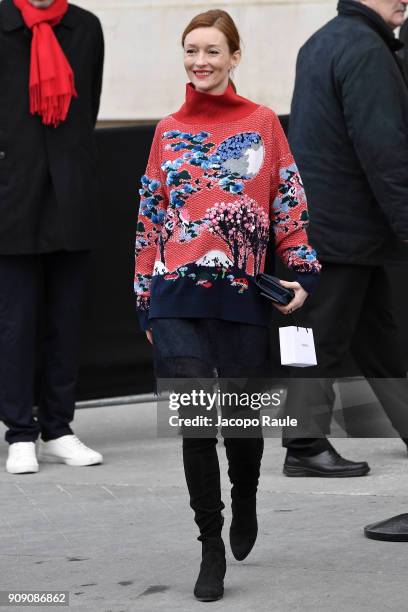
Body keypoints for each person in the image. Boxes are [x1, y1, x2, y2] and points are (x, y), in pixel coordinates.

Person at [134, 9, 321, 602]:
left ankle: (246, 497)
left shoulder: (263, 124)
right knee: (196, 424)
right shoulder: (167, 129)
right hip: (175, 295)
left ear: (234, 57)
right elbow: (149, 218)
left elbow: (286, 202)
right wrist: (144, 299)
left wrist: (301, 270)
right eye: (191, 50)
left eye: (213, 51)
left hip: (242, 295)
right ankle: (210, 547)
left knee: (238, 419)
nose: (200, 61)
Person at [282, 0, 408, 477]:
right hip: (342, 232)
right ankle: (304, 445)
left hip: (332, 228)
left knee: (378, 340)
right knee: (317, 340)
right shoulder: (364, 49)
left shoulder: (322, 42)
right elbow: (384, 146)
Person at [0, 0, 104, 473]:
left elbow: (89, 109)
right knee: (16, 322)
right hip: (12, 196)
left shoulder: (85, 27)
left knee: (66, 320)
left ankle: (59, 427)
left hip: (70, 192)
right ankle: (20, 433)